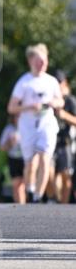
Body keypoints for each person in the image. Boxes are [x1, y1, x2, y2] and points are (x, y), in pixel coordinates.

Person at [7, 43, 63, 204]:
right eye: (39, 61)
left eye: (44, 61)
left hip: (47, 124)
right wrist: (29, 106)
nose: (42, 64)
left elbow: (60, 102)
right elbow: (11, 107)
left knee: (45, 158)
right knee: (30, 163)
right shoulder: (24, 82)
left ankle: (38, 196)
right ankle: (30, 190)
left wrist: (53, 102)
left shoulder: (51, 81)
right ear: (31, 61)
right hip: (28, 126)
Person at [53, 70, 76, 204]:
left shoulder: (70, 101)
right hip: (51, 141)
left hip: (65, 141)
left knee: (65, 174)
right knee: (52, 174)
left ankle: (63, 206)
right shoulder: (49, 99)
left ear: (64, 83)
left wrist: (64, 116)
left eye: (59, 82)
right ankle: (54, 201)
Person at [0, 114, 26, 204]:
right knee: (16, 184)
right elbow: (2, 147)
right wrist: (10, 142)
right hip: (13, 159)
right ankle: (19, 206)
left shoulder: (28, 128)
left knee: (24, 185)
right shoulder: (9, 129)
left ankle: (25, 204)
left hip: (25, 159)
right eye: (16, 116)